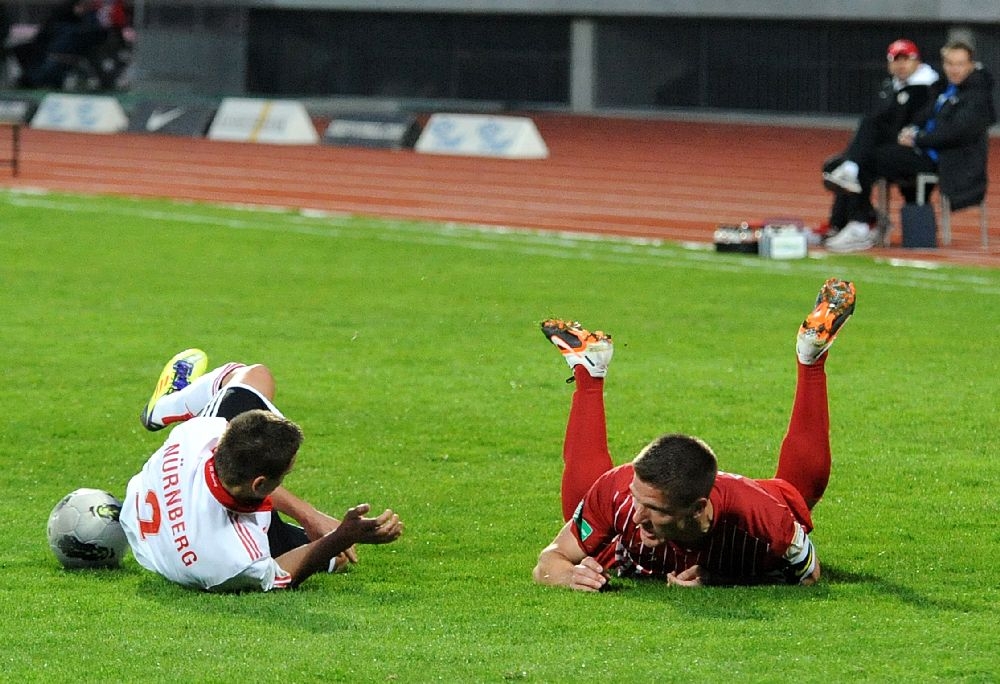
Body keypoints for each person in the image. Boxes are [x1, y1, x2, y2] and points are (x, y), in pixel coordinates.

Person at [532, 278, 856, 590]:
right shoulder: (620, 494)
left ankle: (811, 360)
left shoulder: (762, 520)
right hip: (653, 529)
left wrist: (724, 579)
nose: (637, 516)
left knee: (792, 498)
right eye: (638, 500)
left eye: (656, 510)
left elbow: (809, 574)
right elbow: (551, 560)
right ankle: (589, 371)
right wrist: (569, 577)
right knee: (586, 513)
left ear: (698, 510)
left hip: (755, 506)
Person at [120, 349, 403, 592]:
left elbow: (243, 478)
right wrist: (340, 537)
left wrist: (309, 515)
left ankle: (162, 408)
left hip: (147, 517)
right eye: (286, 473)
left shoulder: (198, 435)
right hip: (191, 541)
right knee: (337, 558)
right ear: (260, 485)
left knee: (255, 377)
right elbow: (282, 574)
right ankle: (164, 406)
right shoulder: (236, 557)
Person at [826, 39, 996, 252]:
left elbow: (955, 133)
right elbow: (924, 116)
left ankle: (863, 224)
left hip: (949, 162)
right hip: (924, 152)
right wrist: (912, 130)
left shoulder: (976, 97)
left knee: (867, 159)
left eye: (960, 64)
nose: (954, 69)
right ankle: (855, 220)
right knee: (850, 160)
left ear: (971, 65)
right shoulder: (944, 88)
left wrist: (917, 138)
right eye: (950, 63)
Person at [823, 39, 939, 251]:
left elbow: (905, 125)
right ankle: (841, 223)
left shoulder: (928, 89)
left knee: (861, 158)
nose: (901, 65)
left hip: (919, 152)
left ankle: (863, 223)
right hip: (892, 147)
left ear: (918, 62)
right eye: (896, 60)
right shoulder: (890, 87)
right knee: (836, 167)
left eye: (906, 59)